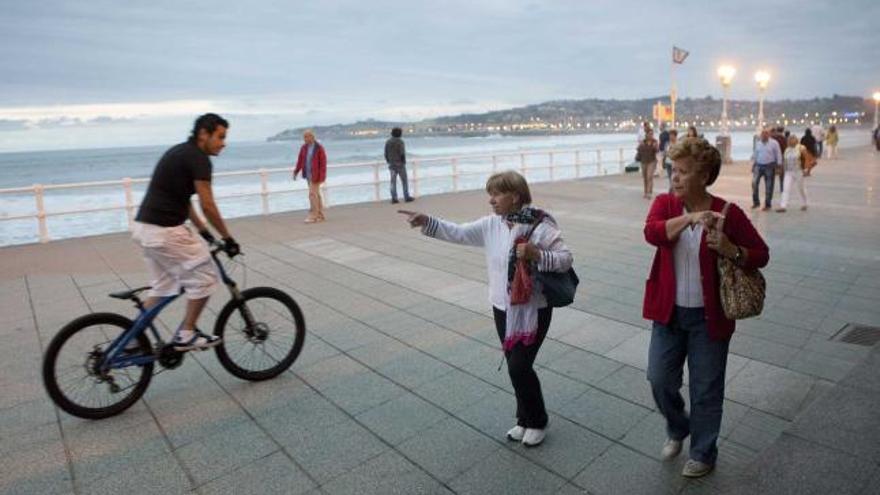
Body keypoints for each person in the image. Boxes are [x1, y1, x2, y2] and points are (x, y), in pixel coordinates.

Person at [399, 171, 572, 448]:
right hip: (502, 307)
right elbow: (459, 232)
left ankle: (538, 420)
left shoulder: (541, 225)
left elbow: (565, 259)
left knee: (519, 366)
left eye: (496, 194)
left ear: (514, 196)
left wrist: (537, 254)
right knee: (516, 366)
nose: (491, 201)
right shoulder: (492, 224)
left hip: (533, 309)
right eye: (489, 195)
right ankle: (524, 419)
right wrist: (426, 221)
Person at [643, 137, 770, 478]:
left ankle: (703, 452)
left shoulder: (728, 213)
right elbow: (652, 233)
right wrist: (690, 219)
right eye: (673, 170)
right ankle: (678, 426)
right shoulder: (666, 205)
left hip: (708, 319)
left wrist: (731, 249)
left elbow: (762, 254)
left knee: (707, 388)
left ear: (703, 175)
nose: (675, 177)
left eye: (684, 172)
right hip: (668, 314)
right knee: (659, 379)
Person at [132, 113, 240, 350]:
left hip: (144, 228)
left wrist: (204, 232)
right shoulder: (199, 159)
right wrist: (227, 238)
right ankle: (187, 334)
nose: (224, 143)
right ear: (204, 134)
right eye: (220, 137)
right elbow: (207, 204)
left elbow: (184, 201)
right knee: (205, 278)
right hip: (165, 231)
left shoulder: (179, 152)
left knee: (164, 286)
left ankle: (132, 339)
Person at [293, 130, 328, 223]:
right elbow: (300, 160)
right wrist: (296, 171)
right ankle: (320, 215)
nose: (305, 139)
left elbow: (323, 163)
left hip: (316, 175)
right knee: (317, 195)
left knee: (312, 195)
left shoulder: (319, 148)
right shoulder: (304, 148)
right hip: (308, 175)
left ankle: (313, 215)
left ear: (312, 137)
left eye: (307, 137)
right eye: (304, 137)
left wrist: (322, 176)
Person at [750, 129, 783, 210]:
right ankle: (756, 202)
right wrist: (753, 165)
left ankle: (768, 204)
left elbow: (778, 154)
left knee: (769, 186)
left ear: (768, 135)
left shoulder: (774, 143)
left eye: (766, 135)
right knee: (754, 183)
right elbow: (755, 154)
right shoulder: (758, 143)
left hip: (769, 166)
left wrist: (779, 166)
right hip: (758, 165)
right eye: (762, 135)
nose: (764, 136)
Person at [778, 135, 808, 212]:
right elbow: (784, 161)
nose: (791, 141)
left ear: (796, 140)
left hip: (798, 171)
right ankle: (783, 206)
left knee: (800, 188)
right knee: (786, 189)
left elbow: (806, 158)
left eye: (793, 139)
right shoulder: (787, 150)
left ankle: (804, 203)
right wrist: (781, 170)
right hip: (788, 172)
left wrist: (806, 169)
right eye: (790, 140)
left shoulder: (801, 148)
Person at [384, 127, 414, 204]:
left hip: (392, 165)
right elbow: (402, 154)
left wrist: (389, 161)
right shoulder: (400, 142)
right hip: (400, 165)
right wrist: (403, 162)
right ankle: (406, 197)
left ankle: (394, 198)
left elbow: (386, 154)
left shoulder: (388, 142)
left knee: (393, 182)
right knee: (404, 181)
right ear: (399, 134)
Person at [637, 128, 660, 198]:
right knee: (645, 177)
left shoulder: (654, 141)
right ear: (646, 134)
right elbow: (638, 150)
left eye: (652, 134)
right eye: (650, 134)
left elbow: (657, 151)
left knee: (649, 176)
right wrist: (640, 145)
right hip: (643, 161)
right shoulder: (643, 142)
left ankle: (649, 192)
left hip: (652, 161)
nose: (651, 135)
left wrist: (656, 147)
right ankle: (645, 191)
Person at [770, 127, 787, 195]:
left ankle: (770, 188)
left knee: (771, 174)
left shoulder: (772, 139)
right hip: (782, 157)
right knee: (782, 174)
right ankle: (782, 187)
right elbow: (786, 147)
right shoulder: (783, 138)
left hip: (773, 158)